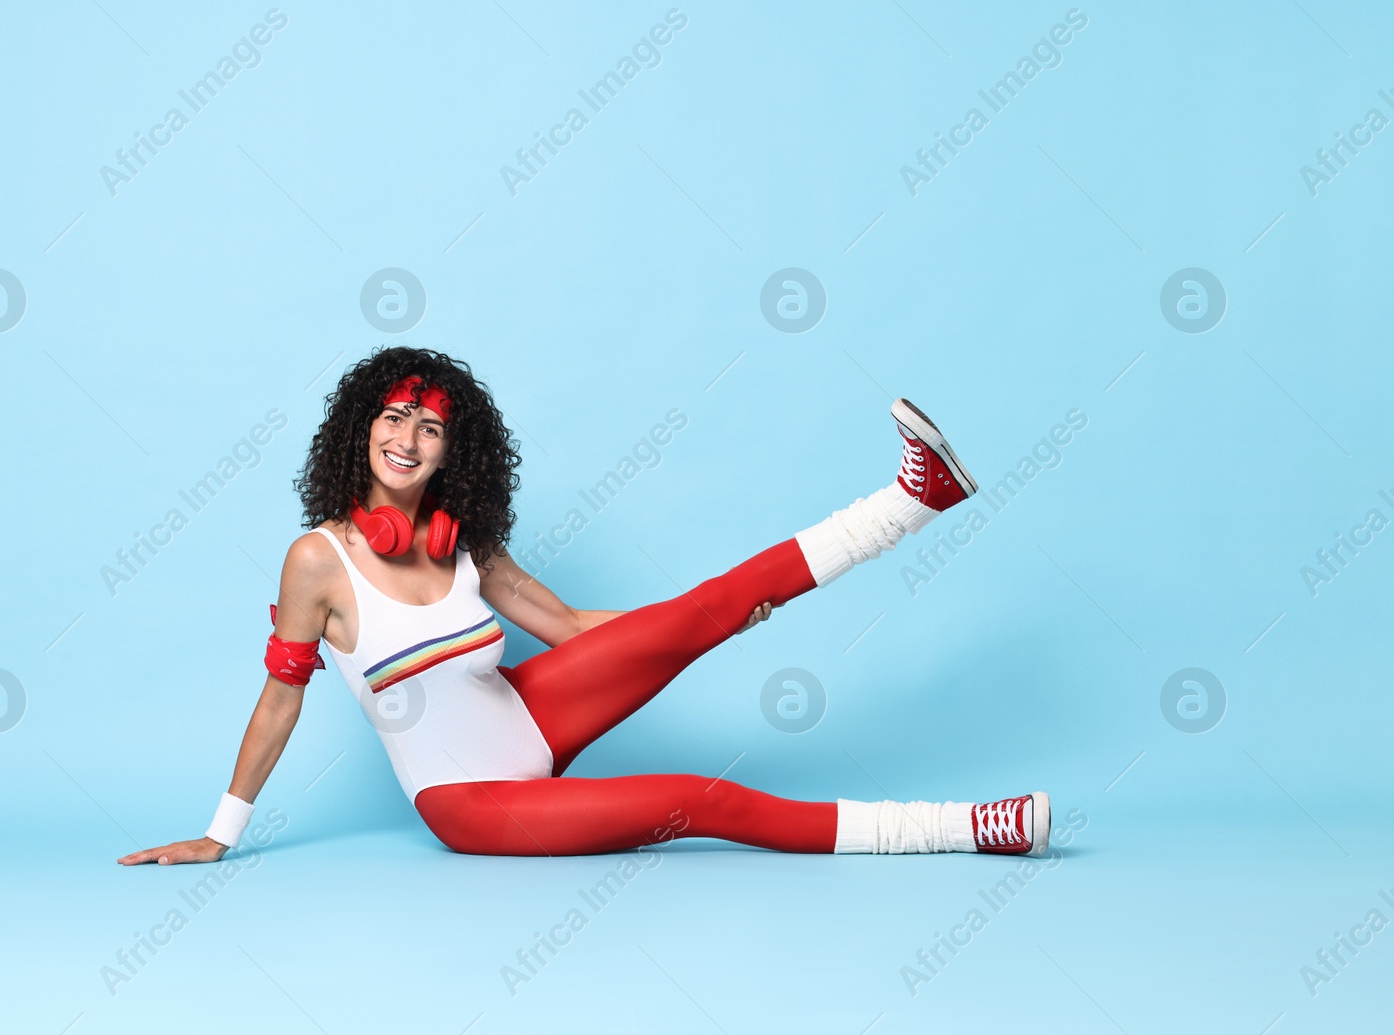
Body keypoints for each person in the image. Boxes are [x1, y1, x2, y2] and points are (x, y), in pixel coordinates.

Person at [119, 347, 1048, 866]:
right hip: (471, 799)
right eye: (395, 418)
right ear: (362, 428)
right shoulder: (317, 561)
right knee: (702, 798)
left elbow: (566, 629)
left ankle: (915, 500)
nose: (407, 438)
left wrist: (705, 621)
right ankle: (973, 827)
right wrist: (220, 831)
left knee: (706, 603)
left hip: (529, 711)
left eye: (431, 427)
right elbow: (281, 697)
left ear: (453, 453)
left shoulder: (462, 539)